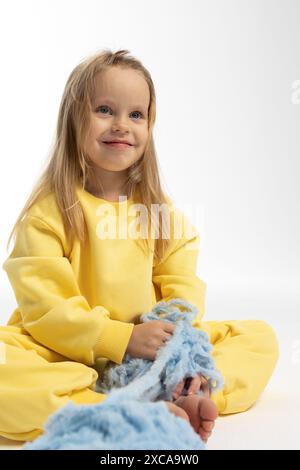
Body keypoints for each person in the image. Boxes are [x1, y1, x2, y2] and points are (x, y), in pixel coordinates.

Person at [0, 49, 279, 444]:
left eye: (136, 115)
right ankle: (113, 408)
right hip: (62, 351)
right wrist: (118, 337)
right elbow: (46, 308)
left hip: (148, 353)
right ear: (73, 120)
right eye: (104, 109)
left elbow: (181, 293)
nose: (121, 125)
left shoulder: (159, 214)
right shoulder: (50, 213)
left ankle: (192, 388)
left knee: (258, 338)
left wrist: (179, 350)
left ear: (149, 127)